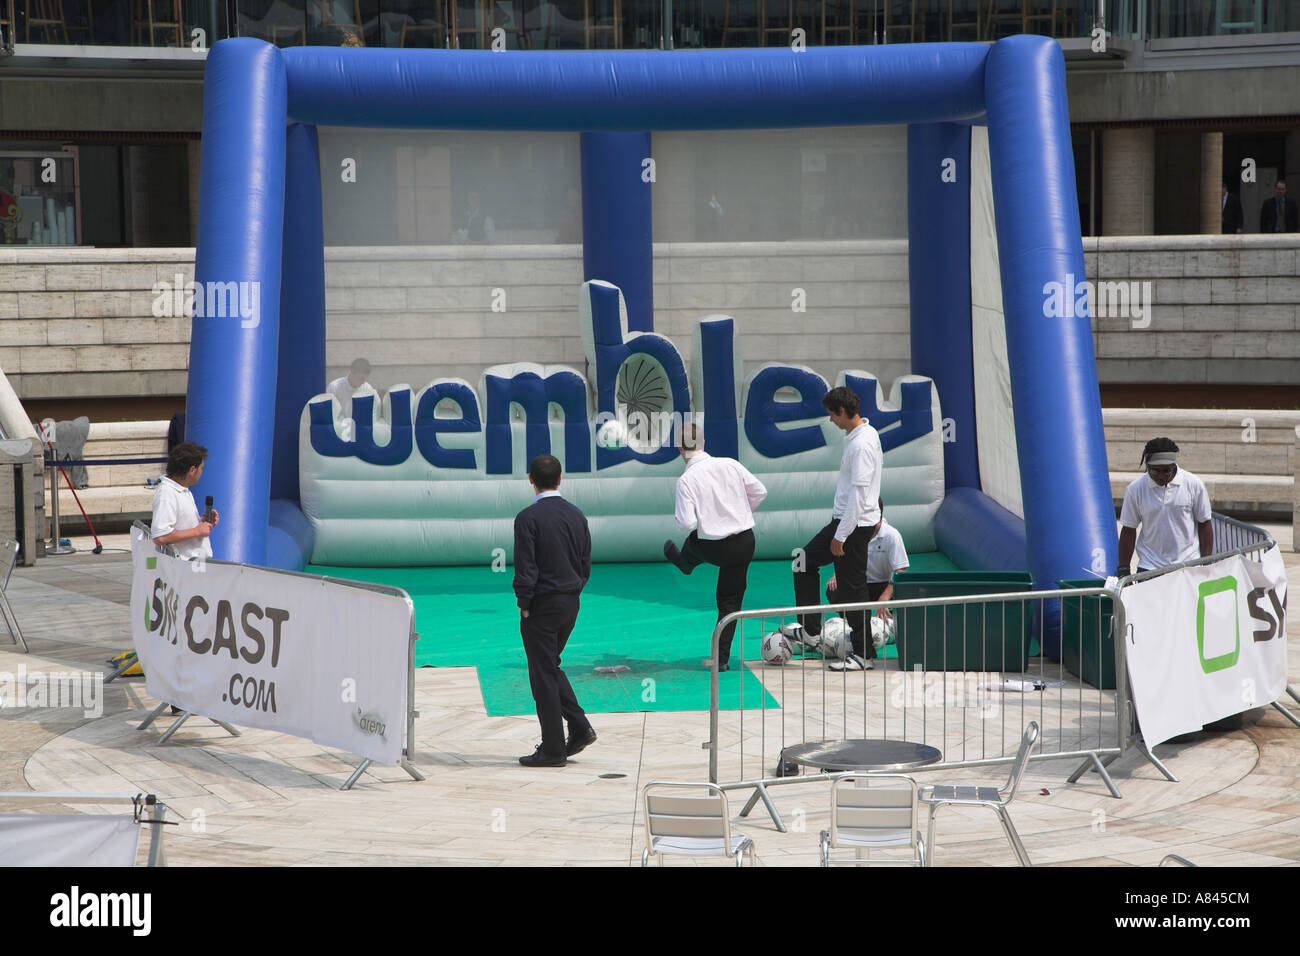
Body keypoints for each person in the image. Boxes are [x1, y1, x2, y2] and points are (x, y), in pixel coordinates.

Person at [782, 386, 883, 671]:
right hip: (845, 521)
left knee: (853, 589)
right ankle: (811, 631)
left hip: (852, 525)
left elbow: (860, 496)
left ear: (841, 411)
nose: (830, 421)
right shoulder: (863, 434)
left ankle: (864, 655)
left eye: (831, 415)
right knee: (802, 560)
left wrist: (841, 535)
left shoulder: (862, 445)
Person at [662, 422, 768, 671]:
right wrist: (739, 513)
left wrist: (708, 518)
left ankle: (685, 564)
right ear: (704, 442)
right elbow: (760, 491)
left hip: (713, 546)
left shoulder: (687, 479)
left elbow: (686, 523)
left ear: (680, 448)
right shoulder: (730, 464)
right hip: (744, 541)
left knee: (692, 542)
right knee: (730, 603)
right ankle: (721, 659)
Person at [512, 453, 596, 768]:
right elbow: (585, 561)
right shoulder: (577, 515)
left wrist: (524, 603)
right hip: (570, 602)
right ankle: (578, 727)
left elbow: (526, 566)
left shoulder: (527, 518)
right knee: (549, 666)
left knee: (543, 675)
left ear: (530, 480)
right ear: (560, 479)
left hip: (542, 605)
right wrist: (573, 590)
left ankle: (553, 747)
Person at [1117, 437, 1212, 575]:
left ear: (1174, 466)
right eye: (1155, 471)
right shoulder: (1135, 489)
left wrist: (1206, 563)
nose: (1161, 476)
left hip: (1188, 565)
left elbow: (1205, 523)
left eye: (1166, 471)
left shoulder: (1194, 484)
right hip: (1150, 566)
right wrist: (1124, 569)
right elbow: (1129, 530)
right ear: (1147, 466)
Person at [825, 497, 908, 654]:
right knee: (834, 589)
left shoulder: (891, 535)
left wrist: (884, 598)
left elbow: (900, 570)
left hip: (884, 585)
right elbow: (846, 557)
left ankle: (890, 623)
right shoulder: (852, 532)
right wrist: (838, 574)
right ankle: (853, 622)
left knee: (899, 597)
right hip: (861, 584)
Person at [151, 441, 218, 562]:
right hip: (186, 569)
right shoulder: (167, 493)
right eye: (201, 468)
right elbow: (160, 536)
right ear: (192, 470)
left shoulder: (182, 489)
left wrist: (202, 522)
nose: (202, 472)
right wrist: (197, 531)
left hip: (196, 565)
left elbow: (180, 523)